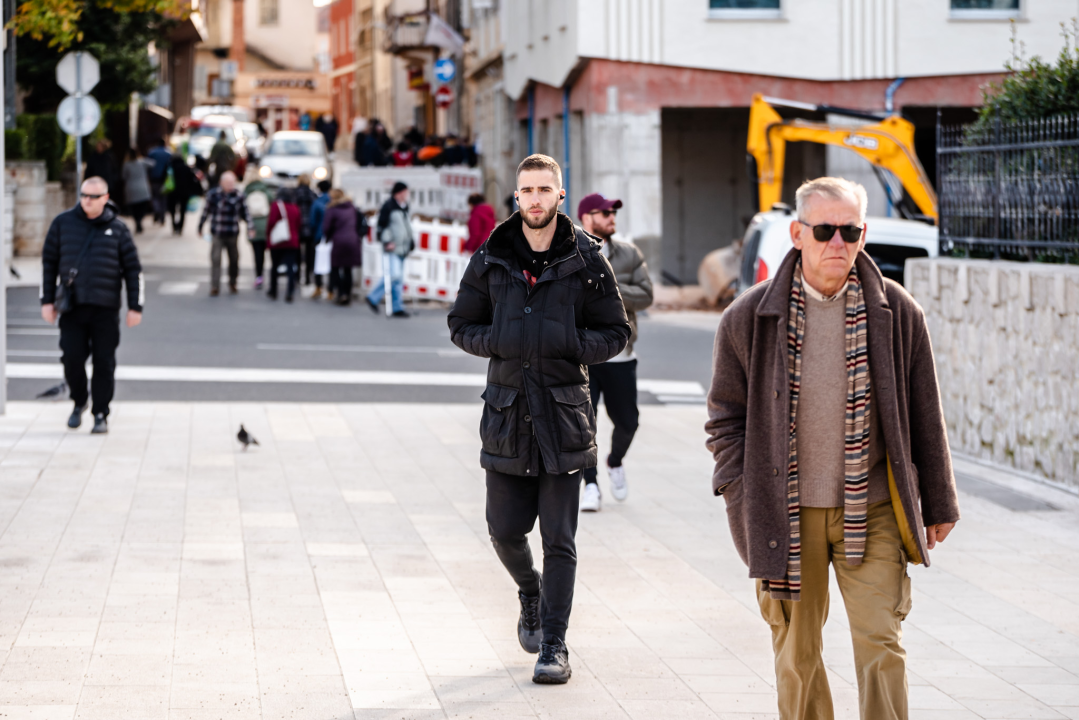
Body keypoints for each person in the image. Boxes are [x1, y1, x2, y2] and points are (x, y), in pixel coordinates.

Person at [705, 177, 960, 720]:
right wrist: (738, 493)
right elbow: (725, 419)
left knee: (881, 644)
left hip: (872, 511)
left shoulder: (898, 312)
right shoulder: (747, 318)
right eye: (824, 230)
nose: (837, 243)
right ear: (798, 233)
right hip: (784, 514)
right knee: (797, 656)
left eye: (849, 230)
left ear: (863, 235)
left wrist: (939, 503)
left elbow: (924, 416)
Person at [447, 154, 630, 685]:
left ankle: (555, 644)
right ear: (517, 197)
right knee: (504, 531)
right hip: (507, 415)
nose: (534, 199)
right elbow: (461, 322)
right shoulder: (492, 256)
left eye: (544, 190)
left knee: (560, 540)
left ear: (559, 196)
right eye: (526, 190)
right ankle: (530, 590)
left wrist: (570, 344)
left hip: (563, 415)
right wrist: (500, 342)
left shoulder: (588, 259)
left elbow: (615, 331)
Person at [40, 176, 144, 435]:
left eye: (93, 196)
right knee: (71, 358)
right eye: (84, 195)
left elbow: (133, 270)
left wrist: (135, 306)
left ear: (106, 198)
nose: (87, 200)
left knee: (104, 362)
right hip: (72, 308)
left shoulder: (118, 229)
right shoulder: (63, 223)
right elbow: (48, 264)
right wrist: (46, 301)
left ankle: (100, 413)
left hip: (105, 309)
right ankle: (79, 401)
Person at [576, 193, 653, 512]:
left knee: (629, 422)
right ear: (586, 217)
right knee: (583, 425)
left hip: (621, 354)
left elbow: (646, 295)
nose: (612, 218)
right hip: (582, 355)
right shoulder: (569, 251)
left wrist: (610, 287)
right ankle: (590, 485)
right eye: (605, 212)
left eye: (613, 213)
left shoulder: (628, 254)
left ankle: (615, 461)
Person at [198, 171, 253, 297]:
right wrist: (200, 226)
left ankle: (233, 282)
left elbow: (246, 213)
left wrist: (251, 227)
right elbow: (205, 212)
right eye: (228, 183)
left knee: (234, 259)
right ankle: (214, 286)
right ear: (221, 183)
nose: (230, 185)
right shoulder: (213, 195)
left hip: (232, 232)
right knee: (215, 259)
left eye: (232, 183)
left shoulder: (239, 195)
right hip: (217, 232)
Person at [365, 181, 413, 317]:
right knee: (394, 275)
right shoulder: (389, 206)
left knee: (399, 279)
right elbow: (382, 226)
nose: (407, 195)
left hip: (402, 247)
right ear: (399, 193)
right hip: (393, 246)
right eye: (405, 192)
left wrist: (411, 240)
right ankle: (373, 297)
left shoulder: (404, 206)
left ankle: (397, 307)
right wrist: (387, 241)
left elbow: (406, 225)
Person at [321, 189, 364, 306]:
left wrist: (328, 238)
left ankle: (341, 293)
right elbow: (359, 224)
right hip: (353, 241)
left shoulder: (332, 209)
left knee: (335, 268)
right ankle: (347, 294)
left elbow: (326, 227)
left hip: (339, 241)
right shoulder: (352, 208)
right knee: (347, 269)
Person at [265, 187, 302, 302]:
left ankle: (273, 290)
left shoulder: (276, 206)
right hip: (292, 241)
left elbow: (271, 222)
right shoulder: (295, 207)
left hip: (278, 241)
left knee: (275, 266)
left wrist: (268, 234)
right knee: (290, 267)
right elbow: (298, 224)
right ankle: (290, 292)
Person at [243, 176, 274, 289]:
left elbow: (243, 211)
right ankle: (272, 276)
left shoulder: (246, 192)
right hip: (266, 227)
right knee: (270, 253)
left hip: (253, 227)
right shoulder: (266, 191)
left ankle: (259, 276)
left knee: (257, 254)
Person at [309, 179, 334, 300]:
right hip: (333, 236)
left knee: (318, 262)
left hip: (319, 235)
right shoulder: (333, 202)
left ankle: (318, 287)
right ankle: (331, 289)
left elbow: (313, 221)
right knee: (332, 264)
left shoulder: (317, 203)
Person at [165, 152, 200, 235]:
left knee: (172, 210)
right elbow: (193, 180)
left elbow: (164, 178)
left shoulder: (170, 168)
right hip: (184, 192)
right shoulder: (186, 168)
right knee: (182, 210)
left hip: (172, 192)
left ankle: (174, 225)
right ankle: (180, 227)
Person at [293, 174, 318, 287]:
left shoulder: (295, 193)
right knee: (309, 254)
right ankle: (308, 276)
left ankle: (297, 276)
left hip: (298, 226)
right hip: (310, 226)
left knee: (297, 253)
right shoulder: (312, 194)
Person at [121, 148, 153, 233]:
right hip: (142, 187)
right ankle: (139, 220)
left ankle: (137, 221)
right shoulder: (142, 162)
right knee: (142, 207)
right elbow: (153, 163)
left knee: (134, 208)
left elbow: (123, 176)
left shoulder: (126, 164)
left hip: (131, 188)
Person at [147, 137, 172, 225]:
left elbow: (148, 166)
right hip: (165, 179)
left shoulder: (152, 152)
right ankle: (162, 216)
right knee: (163, 198)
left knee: (155, 197)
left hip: (154, 178)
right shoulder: (168, 153)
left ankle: (156, 210)